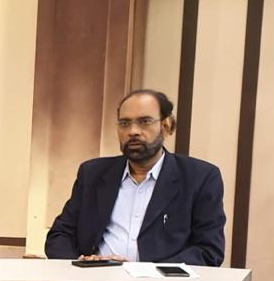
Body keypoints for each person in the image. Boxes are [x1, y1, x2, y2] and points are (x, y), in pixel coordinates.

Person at [45, 90, 225, 266]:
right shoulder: (92, 173)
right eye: (124, 123)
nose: (133, 131)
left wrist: (145, 273)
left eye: (144, 121)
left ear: (166, 126)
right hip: (94, 280)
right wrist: (80, 265)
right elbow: (59, 235)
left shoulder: (200, 177)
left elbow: (208, 251)